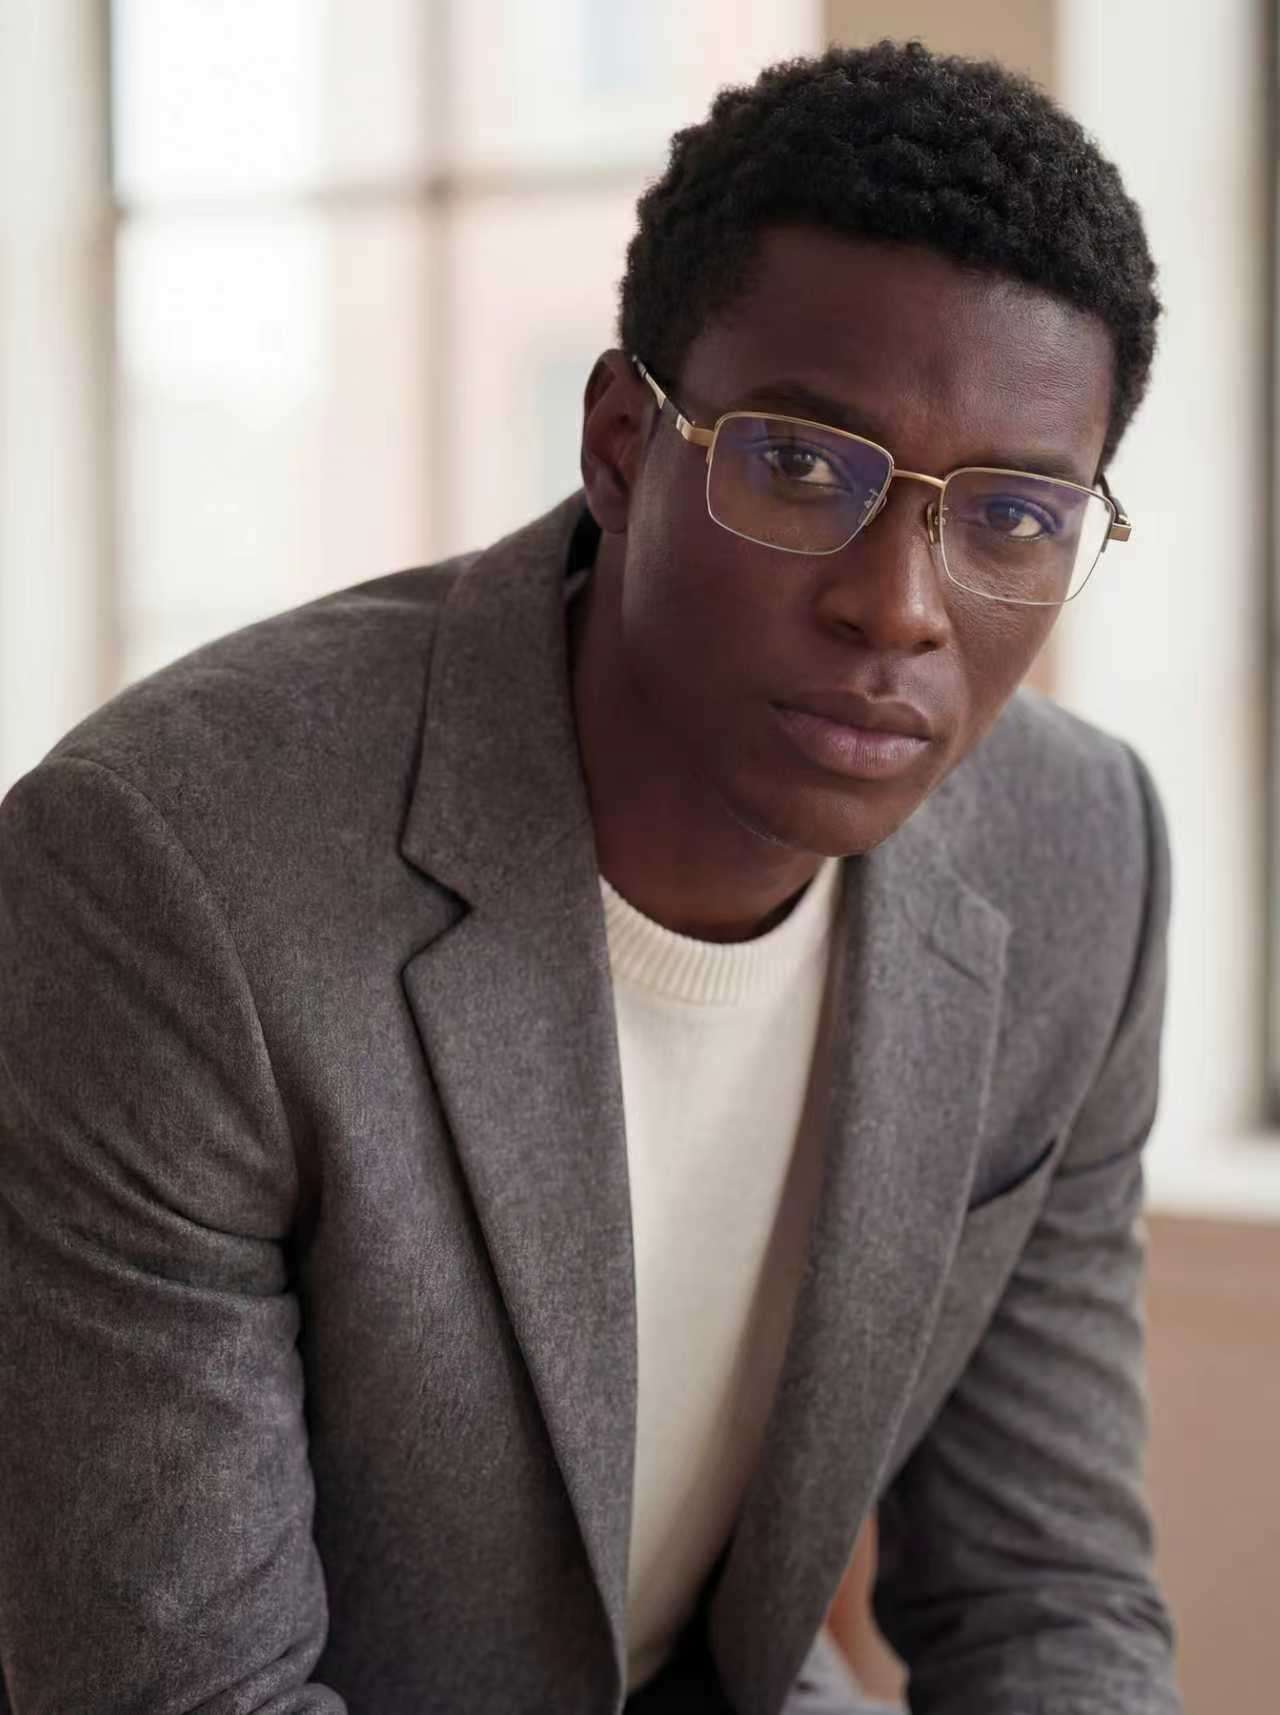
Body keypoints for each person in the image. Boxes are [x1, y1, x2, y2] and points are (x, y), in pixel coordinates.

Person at [0, 37, 1181, 1715]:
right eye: (800, 465)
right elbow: (182, 1699)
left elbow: (1046, 1597)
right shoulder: (172, 875)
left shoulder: (1079, 859)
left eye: (1012, 515)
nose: (902, 608)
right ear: (624, 444)